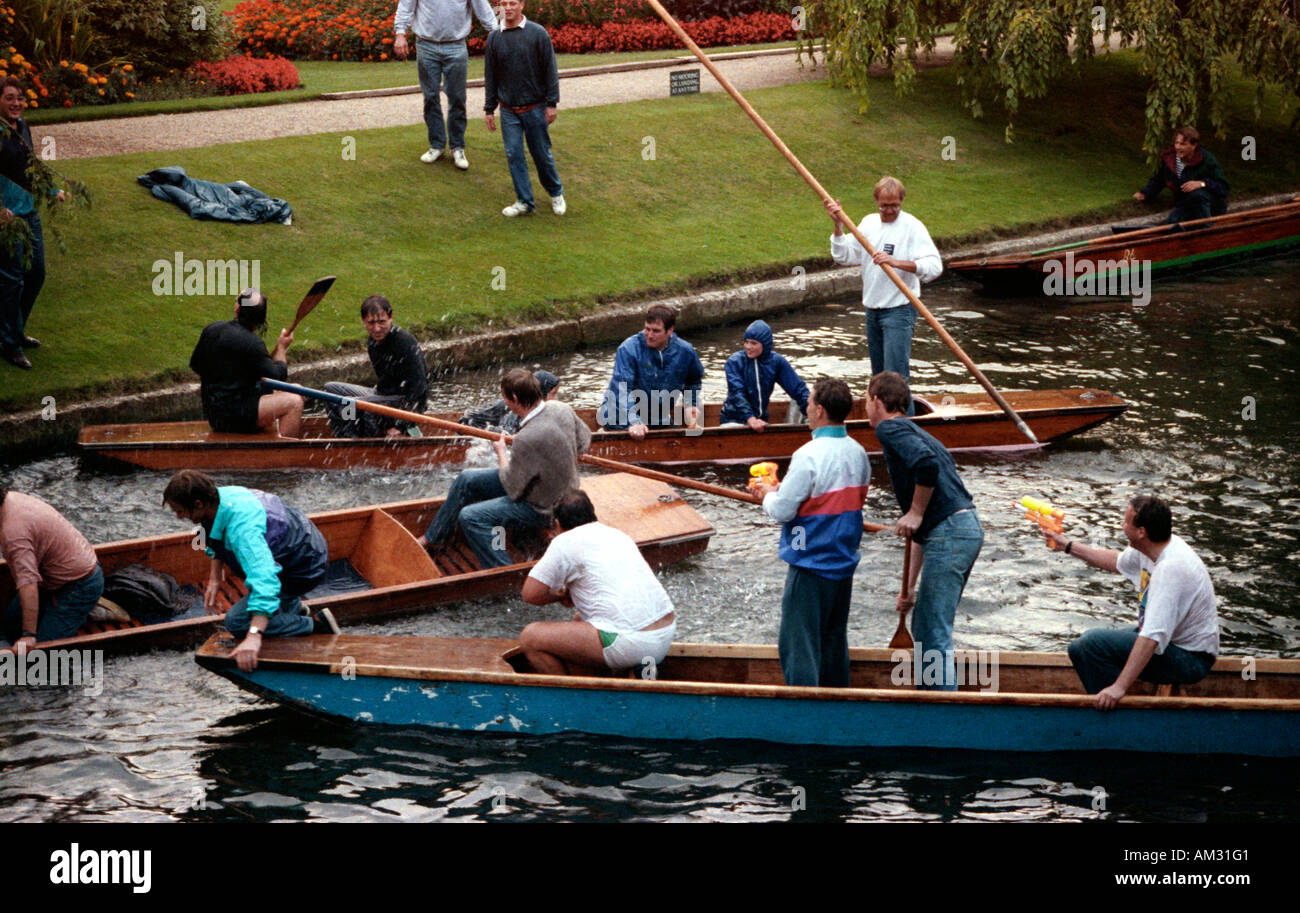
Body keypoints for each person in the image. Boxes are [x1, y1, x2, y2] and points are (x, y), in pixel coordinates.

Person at [1044, 495, 1219, 710]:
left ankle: (1114, 715)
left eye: (1126, 522)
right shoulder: (1151, 548)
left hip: (1191, 658)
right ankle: (1113, 705)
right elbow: (1116, 562)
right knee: (1078, 648)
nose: (1122, 526)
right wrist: (1068, 546)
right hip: (1170, 642)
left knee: (1092, 645)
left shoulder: (1171, 568)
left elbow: (1151, 637)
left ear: (1141, 532)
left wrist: (1119, 687)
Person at [866, 371, 983, 691]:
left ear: (876, 402)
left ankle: (943, 713)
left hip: (951, 533)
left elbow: (927, 467)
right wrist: (909, 588)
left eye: (866, 400)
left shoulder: (889, 428)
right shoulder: (916, 431)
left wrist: (915, 512)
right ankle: (935, 694)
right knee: (926, 623)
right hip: (962, 530)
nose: (865, 407)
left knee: (932, 632)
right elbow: (921, 533)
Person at [751, 378, 871, 687]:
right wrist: (781, 491)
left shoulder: (807, 454)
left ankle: (805, 712)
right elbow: (829, 498)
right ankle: (838, 705)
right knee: (833, 643)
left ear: (819, 410)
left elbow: (783, 511)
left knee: (798, 647)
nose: (805, 408)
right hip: (843, 562)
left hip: (810, 565)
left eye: (808, 403)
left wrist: (766, 495)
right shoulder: (858, 453)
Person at [162, 470, 338, 672]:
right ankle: (291, 609)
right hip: (298, 543)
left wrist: (254, 636)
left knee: (236, 621)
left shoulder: (244, 531)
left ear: (198, 503)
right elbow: (213, 534)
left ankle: (316, 625)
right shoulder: (218, 498)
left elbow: (265, 580)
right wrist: (214, 578)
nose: (178, 516)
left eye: (180, 511)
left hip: (304, 566)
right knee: (251, 583)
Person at [419, 368, 590, 567]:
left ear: (515, 399)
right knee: (467, 478)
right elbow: (584, 442)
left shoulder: (527, 437)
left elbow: (512, 487)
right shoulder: (561, 408)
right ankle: (434, 537)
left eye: (505, 399)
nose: (505, 403)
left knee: (470, 517)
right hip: (560, 487)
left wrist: (501, 451)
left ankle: (502, 568)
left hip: (545, 506)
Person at [519, 489, 676, 675]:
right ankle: (621, 675)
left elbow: (530, 594)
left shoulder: (563, 542)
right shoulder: (618, 535)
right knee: (580, 618)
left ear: (558, 524)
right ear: (593, 515)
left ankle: (570, 698)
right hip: (665, 634)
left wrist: (559, 596)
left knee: (530, 637)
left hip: (630, 643)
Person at [825, 176, 942, 401]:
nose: (889, 211)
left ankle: (902, 425)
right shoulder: (868, 223)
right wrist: (838, 226)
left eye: (894, 206)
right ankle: (881, 425)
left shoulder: (912, 226)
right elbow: (844, 255)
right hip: (872, 309)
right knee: (878, 380)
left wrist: (897, 262)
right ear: (876, 201)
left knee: (895, 380)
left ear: (901, 202)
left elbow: (934, 266)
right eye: (884, 205)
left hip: (899, 309)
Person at [1, 77, 67, 371]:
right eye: (10, 97)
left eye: (21, 98)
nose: (17, 103)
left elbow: (31, 166)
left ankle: (15, 330)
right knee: (11, 281)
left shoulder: (23, 127)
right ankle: (9, 343)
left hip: (28, 212)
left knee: (35, 273)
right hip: (7, 220)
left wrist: (52, 190)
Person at [394, 0, 498, 171]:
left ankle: (457, 147)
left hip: (456, 46)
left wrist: (497, 34)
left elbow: (483, 9)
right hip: (426, 45)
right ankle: (436, 145)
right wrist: (400, 33)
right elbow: (406, 6)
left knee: (457, 98)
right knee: (430, 97)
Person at [483, 0, 565, 217]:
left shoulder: (538, 34)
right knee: (514, 154)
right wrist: (489, 109)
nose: (508, 8)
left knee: (541, 154)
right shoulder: (494, 38)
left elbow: (550, 70)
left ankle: (556, 193)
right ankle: (524, 201)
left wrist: (551, 104)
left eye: (513, 3)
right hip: (508, 110)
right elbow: (490, 76)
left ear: (522, 5)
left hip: (535, 107)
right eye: (504, 3)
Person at [0, 485, 104, 649]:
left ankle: (79, 613)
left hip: (79, 586)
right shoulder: (9, 499)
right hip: (52, 579)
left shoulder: (13, 534)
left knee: (39, 654)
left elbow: (28, 584)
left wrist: (28, 636)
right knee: (7, 629)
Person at [189, 288, 304, 437]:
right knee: (294, 402)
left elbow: (197, 366)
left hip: (215, 412)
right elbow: (279, 376)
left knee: (297, 390)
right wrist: (281, 348)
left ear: (237, 308)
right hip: (232, 416)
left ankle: (272, 437)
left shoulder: (212, 330)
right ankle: (283, 456)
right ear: (261, 319)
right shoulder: (253, 344)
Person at [323, 295, 429, 438]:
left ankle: (365, 444)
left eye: (381, 322)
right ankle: (346, 437)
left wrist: (401, 424)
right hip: (382, 395)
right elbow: (384, 382)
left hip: (404, 402)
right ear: (363, 321)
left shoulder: (404, 343)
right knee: (330, 391)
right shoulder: (373, 343)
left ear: (391, 317)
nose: (377, 328)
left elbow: (420, 389)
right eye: (371, 323)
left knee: (354, 404)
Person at [598, 304, 704, 440]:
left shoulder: (686, 351)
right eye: (647, 329)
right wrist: (634, 422)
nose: (650, 335)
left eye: (656, 331)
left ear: (670, 331)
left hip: (657, 418)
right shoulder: (628, 349)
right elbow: (622, 389)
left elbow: (693, 381)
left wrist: (691, 404)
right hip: (620, 417)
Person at [719, 319, 810, 430]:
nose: (748, 347)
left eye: (753, 343)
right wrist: (750, 419)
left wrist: (814, 411)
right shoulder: (734, 362)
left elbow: (798, 389)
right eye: (746, 342)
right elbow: (737, 393)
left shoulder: (777, 362)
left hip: (761, 420)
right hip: (734, 420)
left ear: (765, 345)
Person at [1133, 125, 1228, 224]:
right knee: (1172, 223)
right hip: (1185, 204)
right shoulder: (1170, 159)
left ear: (1194, 145)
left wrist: (1202, 184)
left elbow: (1223, 187)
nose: (1178, 147)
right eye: (1176, 143)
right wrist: (1146, 193)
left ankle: (1205, 231)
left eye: (1183, 144)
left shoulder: (1208, 160)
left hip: (1211, 207)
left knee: (1198, 196)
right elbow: (1159, 179)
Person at [460, 369, 559, 433]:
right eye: (554, 393)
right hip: (470, 423)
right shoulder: (516, 411)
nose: (557, 399)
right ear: (541, 394)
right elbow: (508, 434)